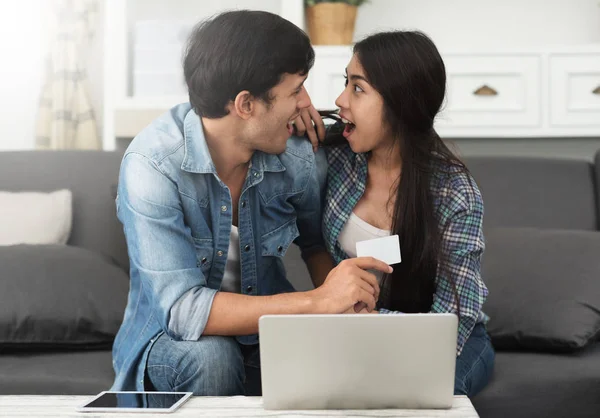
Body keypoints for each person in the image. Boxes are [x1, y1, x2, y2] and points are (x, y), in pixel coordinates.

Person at [110, 10, 390, 395]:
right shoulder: (152, 166)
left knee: (356, 367)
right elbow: (183, 310)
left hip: (269, 335)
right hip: (170, 341)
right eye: (296, 90)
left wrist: (343, 313)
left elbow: (314, 244)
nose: (306, 103)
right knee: (213, 357)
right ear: (245, 105)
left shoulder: (296, 153)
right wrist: (318, 301)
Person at [316, 31, 495, 397]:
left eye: (358, 88)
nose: (340, 99)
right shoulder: (335, 157)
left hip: (444, 337)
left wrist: (374, 321)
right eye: (344, 82)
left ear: (400, 102)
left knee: (416, 394)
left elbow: (451, 319)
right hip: (358, 331)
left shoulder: (454, 191)